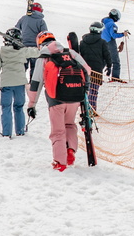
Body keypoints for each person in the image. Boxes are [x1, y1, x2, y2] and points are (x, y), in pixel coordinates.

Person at [27, 30, 90, 171]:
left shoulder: (43, 57)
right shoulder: (71, 53)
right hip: (75, 97)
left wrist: (32, 105)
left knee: (58, 131)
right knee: (69, 124)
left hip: (56, 99)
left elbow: (36, 83)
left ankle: (60, 162)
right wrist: (84, 89)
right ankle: (70, 151)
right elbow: (87, 69)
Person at [0, 27, 30, 138]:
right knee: (19, 106)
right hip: (20, 83)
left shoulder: (2, 52)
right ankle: (20, 131)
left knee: (6, 107)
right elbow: (36, 52)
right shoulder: (23, 51)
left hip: (6, 83)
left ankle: (6, 132)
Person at [78, 21, 110, 109]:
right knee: (94, 90)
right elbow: (107, 55)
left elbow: (79, 55)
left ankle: (84, 109)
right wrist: (109, 66)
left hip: (84, 69)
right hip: (97, 70)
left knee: (84, 90)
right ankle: (92, 109)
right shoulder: (102, 42)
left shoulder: (82, 42)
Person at [15, 2, 48, 79]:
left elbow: (16, 30)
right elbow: (44, 34)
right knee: (35, 68)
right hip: (36, 48)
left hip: (24, 47)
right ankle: (32, 85)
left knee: (22, 67)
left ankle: (20, 82)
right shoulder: (41, 21)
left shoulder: (24, 18)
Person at [101, 8, 130, 81]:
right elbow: (113, 35)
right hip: (110, 43)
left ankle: (95, 74)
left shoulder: (104, 22)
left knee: (104, 59)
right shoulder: (112, 25)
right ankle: (115, 78)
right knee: (115, 61)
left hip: (102, 42)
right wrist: (123, 34)